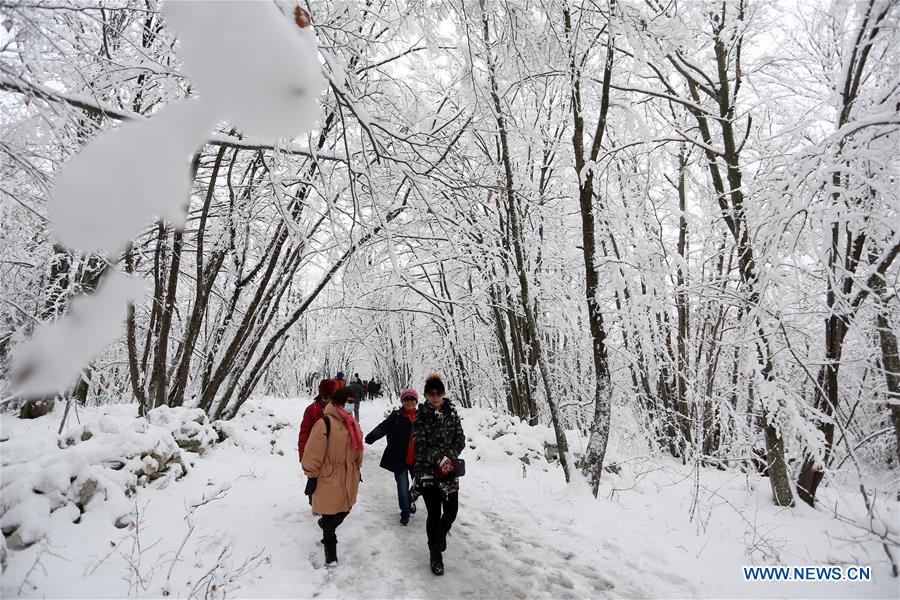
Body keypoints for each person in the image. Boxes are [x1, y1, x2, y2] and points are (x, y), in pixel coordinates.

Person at [301, 387, 364, 566]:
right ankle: (331, 552)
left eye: (353, 402)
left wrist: (357, 467)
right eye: (348, 401)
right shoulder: (325, 423)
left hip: (349, 474)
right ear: (338, 402)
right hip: (329, 475)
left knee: (345, 509)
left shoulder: (353, 423)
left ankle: (325, 526)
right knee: (329, 516)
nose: (351, 405)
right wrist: (311, 476)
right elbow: (313, 451)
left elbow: (358, 449)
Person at [412, 373, 465, 576]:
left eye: (438, 393)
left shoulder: (451, 412)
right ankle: (435, 554)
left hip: (449, 471)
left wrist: (448, 458)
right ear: (426, 395)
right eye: (431, 394)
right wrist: (438, 459)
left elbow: (460, 438)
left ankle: (442, 532)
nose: (435, 397)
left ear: (443, 394)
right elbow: (420, 444)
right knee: (434, 514)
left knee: (451, 511)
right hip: (428, 473)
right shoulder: (421, 415)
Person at [364, 388, 419, 525]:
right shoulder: (397, 415)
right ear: (402, 401)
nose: (409, 402)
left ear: (416, 401)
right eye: (406, 399)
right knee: (402, 487)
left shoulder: (422, 416)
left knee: (419, 487)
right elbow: (383, 427)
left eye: (412, 399)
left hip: (417, 460)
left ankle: (410, 500)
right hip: (399, 458)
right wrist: (373, 436)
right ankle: (405, 512)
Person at [298, 378, 335, 461]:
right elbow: (304, 434)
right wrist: (303, 456)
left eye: (331, 398)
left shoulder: (339, 410)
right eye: (325, 397)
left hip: (333, 457)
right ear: (320, 396)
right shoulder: (311, 410)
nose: (328, 401)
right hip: (315, 455)